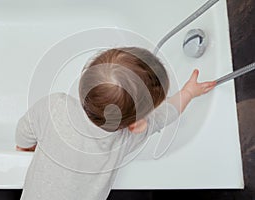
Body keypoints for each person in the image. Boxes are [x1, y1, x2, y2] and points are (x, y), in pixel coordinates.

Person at [15, 47, 216, 200]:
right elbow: (164, 115)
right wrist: (188, 93)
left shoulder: (55, 106)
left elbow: (25, 129)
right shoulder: (126, 138)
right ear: (135, 123)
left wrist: (25, 148)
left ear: (82, 83)